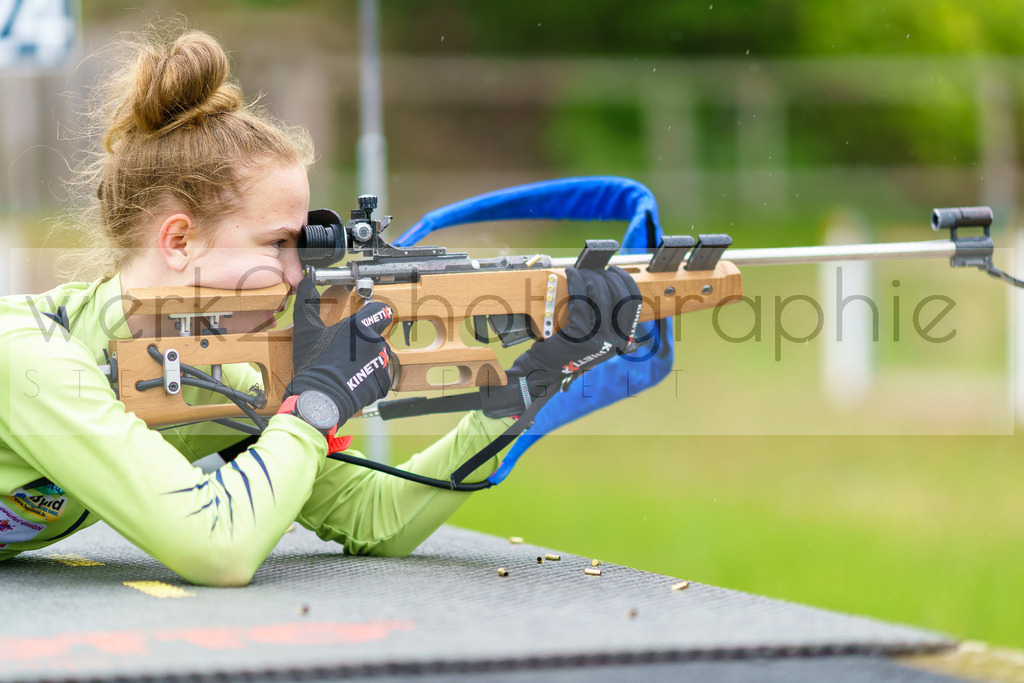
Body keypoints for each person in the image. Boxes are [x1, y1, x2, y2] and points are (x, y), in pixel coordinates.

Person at [0, 26, 640, 586]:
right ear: (178, 240)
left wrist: (536, 376)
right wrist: (317, 404)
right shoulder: (28, 357)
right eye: (276, 244)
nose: (295, 275)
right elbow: (214, 549)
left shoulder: (219, 378)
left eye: (301, 247)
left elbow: (375, 518)